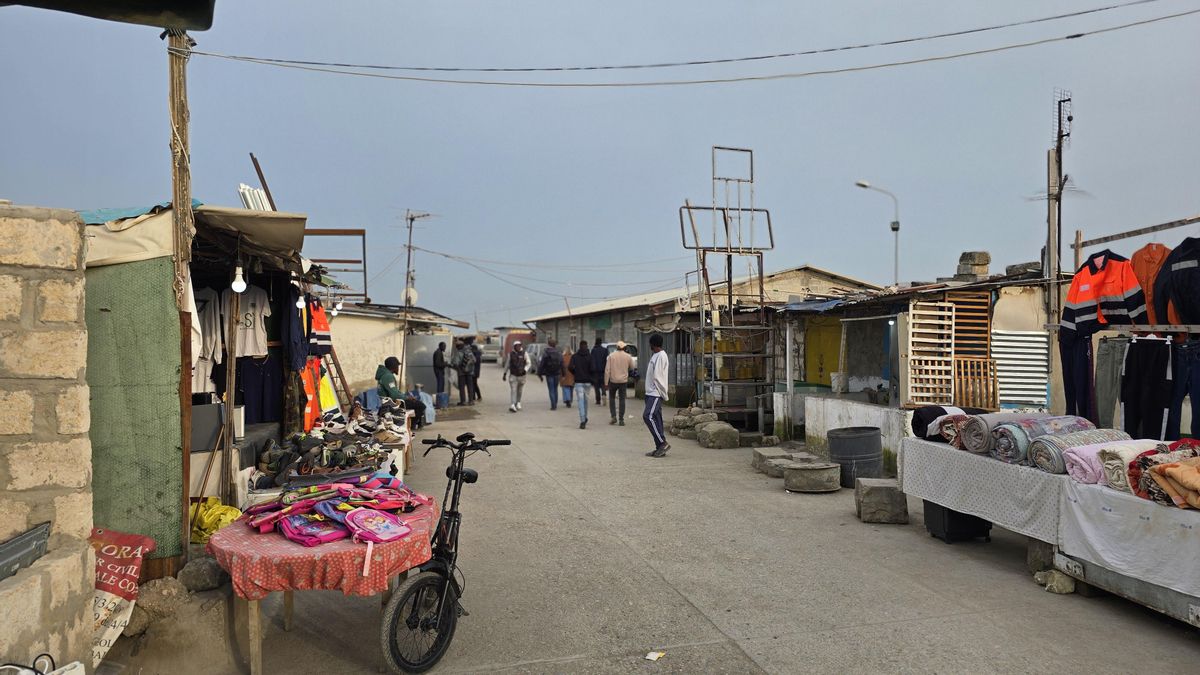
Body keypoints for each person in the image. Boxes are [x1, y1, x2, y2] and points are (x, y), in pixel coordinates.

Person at [375, 356, 426, 429]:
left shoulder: (385, 375)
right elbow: (394, 395)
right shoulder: (388, 376)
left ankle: (412, 424)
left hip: (387, 402)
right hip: (391, 403)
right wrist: (407, 398)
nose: (398, 368)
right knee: (421, 406)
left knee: (415, 402)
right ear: (394, 367)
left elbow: (395, 391)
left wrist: (405, 396)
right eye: (397, 366)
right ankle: (410, 426)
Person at [643, 334, 670, 457]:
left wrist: (662, 393)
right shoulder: (655, 355)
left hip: (655, 393)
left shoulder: (661, 356)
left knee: (648, 416)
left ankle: (663, 443)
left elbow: (658, 377)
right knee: (657, 419)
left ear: (653, 344)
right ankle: (659, 447)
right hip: (650, 392)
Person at [604, 341, 634, 425]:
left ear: (616, 347)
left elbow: (607, 370)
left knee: (612, 399)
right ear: (624, 348)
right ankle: (621, 419)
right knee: (622, 399)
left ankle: (613, 416)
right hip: (623, 381)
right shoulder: (628, 356)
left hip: (613, 381)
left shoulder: (611, 356)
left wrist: (606, 383)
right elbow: (632, 367)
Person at [502, 340, 533, 412]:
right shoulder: (510, 354)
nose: (518, 347)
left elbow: (529, 363)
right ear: (514, 347)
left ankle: (518, 402)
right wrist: (504, 374)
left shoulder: (524, 353)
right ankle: (512, 404)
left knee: (520, 390)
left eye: (519, 345)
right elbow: (507, 364)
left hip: (522, 376)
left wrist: (525, 370)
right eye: (517, 346)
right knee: (513, 390)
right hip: (513, 375)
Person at [569, 340, 594, 429]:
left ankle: (583, 420)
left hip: (578, 381)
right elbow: (593, 369)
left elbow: (570, 367)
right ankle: (585, 417)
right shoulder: (590, 357)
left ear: (579, 346)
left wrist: (575, 373)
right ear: (587, 346)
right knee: (585, 401)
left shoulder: (575, 356)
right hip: (587, 382)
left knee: (580, 401)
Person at [538, 338, 564, 410]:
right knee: (555, 389)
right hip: (557, 373)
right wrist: (564, 374)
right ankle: (555, 403)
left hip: (549, 374)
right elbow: (562, 364)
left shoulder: (546, 353)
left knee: (551, 389)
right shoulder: (559, 353)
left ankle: (553, 405)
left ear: (548, 344)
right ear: (555, 344)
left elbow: (542, 364)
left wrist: (539, 374)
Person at [453, 339, 476, 406]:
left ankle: (463, 401)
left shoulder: (458, 353)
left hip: (461, 373)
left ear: (459, 346)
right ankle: (471, 401)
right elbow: (474, 360)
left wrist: (456, 368)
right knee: (470, 387)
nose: (456, 347)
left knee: (462, 387)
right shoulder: (469, 352)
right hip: (470, 372)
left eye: (457, 346)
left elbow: (455, 363)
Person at [590, 337, 608, 405]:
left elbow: (591, 360)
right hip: (603, 370)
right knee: (603, 384)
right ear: (601, 342)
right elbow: (606, 360)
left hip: (595, 371)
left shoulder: (593, 350)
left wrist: (591, 370)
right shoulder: (605, 350)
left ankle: (598, 400)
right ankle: (604, 394)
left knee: (596, 386)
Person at [558, 342, 575, 408]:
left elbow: (560, 365)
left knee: (565, 387)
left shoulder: (562, 356)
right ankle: (570, 400)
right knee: (571, 388)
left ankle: (567, 400)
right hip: (572, 374)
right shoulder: (573, 356)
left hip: (564, 373)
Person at [432, 341, 448, 406]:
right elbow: (437, 363)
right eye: (444, 346)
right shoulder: (438, 353)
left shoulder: (439, 352)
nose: (445, 348)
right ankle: (440, 401)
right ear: (440, 346)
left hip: (439, 371)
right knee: (440, 386)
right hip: (439, 371)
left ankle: (440, 401)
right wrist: (445, 363)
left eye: (445, 346)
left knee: (441, 385)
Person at [470, 337, 483, 402]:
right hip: (475, 372)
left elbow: (474, 362)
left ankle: (477, 397)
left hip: (474, 372)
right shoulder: (477, 354)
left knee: (474, 384)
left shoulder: (476, 355)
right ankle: (474, 397)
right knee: (474, 384)